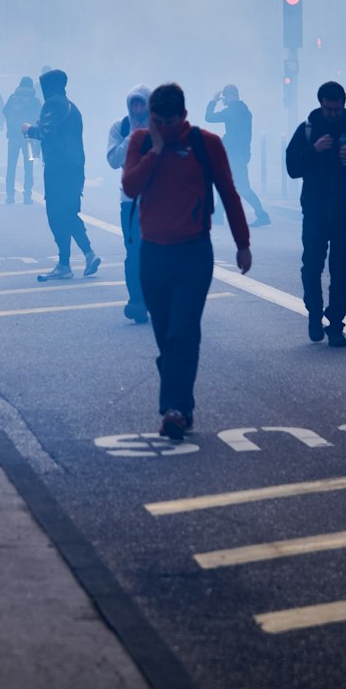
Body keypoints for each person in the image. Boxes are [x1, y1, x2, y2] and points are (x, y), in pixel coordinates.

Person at [122, 82, 251, 440]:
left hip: (193, 251)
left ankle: (174, 410)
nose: (161, 127)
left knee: (183, 331)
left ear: (184, 116)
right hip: (153, 252)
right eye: (156, 120)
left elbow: (228, 191)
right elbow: (130, 187)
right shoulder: (141, 142)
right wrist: (156, 152)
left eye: (168, 121)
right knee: (166, 336)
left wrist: (243, 243)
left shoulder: (204, 143)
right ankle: (182, 403)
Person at [285, 80, 346, 347]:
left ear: (343, 105)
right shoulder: (306, 130)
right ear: (320, 104)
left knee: (340, 271)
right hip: (315, 211)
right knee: (312, 267)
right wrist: (313, 150)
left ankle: (336, 325)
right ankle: (314, 314)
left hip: (345, 211)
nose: (332, 114)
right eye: (328, 109)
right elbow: (292, 167)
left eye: (336, 109)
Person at [24, 68, 101, 282]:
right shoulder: (72, 107)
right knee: (68, 212)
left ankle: (64, 264)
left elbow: (43, 132)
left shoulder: (53, 104)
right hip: (75, 169)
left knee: (56, 215)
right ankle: (88, 253)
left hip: (58, 169)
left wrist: (28, 129)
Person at [107, 85, 151, 323]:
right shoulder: (120, 127)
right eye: (134, 104)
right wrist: (131, 139)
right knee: (134, 253)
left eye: (142, 103)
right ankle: (137, 301)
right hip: (131, 201)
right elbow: (113, 160)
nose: (138, 109)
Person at [204, 84, 269, 227]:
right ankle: (218, 216)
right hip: (241, 154)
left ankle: (262, 215)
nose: (223, 101)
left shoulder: (231, 111)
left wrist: (213, 101)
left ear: (229, 96)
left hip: (234, 155)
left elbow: (208, 117)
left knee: (243, 187)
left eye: (224, 98)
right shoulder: (245, 111)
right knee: (225, 183)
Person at [3, 76, 41, 205]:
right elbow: (39, 117)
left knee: (11, 166)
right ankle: (27, 196)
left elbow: (5, 112)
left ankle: (10, 196)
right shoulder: (35, 101)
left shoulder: (13, 98)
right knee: (28, 167)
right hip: (28, 138)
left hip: (13, 137)